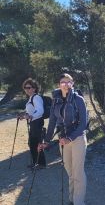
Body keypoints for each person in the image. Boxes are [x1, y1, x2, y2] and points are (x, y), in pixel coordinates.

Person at [38, 73, 87, 205]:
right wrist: (46, 141)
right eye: (62, 82)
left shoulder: (78, 99)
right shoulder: (56, 100)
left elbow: (83, 123)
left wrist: (70, 138)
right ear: (58, 85)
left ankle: (78, 202)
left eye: (68, 82)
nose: (65, 84)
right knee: (70, 172)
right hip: (62, 141)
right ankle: (72, 199)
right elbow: (52, 122)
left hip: (77, 139)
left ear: (73, 83)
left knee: (78, 173)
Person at [18, 78, 46, 169]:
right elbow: (31, 111)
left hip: (37, 124)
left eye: (29, 87)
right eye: (25, 88)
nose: (27, 89)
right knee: (32, 143)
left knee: (36, 143)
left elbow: (40, 111)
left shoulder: (36, 97)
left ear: (34, 88)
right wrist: (24, 115)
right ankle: (36, 162)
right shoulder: (31, 98)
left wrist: (30, 116)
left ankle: (41, 164)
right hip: (34, 123)